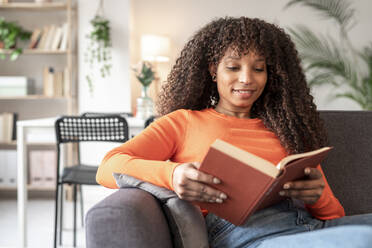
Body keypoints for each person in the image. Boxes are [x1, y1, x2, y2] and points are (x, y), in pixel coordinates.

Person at [96, 17, 372, 247]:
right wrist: (173, 174)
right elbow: (108, 166)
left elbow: (334, 215)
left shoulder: (287, 129)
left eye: (259, 69)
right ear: (213, 70)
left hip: (309, 227)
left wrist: (317, 195)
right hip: (247, 235)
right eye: (233, 67)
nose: (246, 79)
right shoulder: (183, 122)